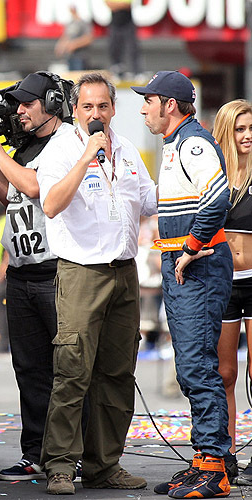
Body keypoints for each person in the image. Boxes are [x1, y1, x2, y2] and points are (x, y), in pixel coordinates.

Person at [36, 71, 156, 495]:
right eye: (87, 106)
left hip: (125, 273)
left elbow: (150, 202)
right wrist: (86, 156)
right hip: (82, 272)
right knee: (72, 372)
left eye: (103, 106)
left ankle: (104, 465)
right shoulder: (61, 150)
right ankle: (61, 466)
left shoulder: (125, 150)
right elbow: (50, 204)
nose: (96, 113)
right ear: (74, 111)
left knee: (118, 373)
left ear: (113, 109)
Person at [132, 71, 233, 498]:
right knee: (190, 366)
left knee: (196, 366)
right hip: (183, 263)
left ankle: (214, 467)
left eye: (149, 100)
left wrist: (191, 246)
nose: (143, 109)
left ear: (170, 104)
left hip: (197, 265)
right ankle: (203, 460)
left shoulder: (192, 143)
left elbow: (218, 196)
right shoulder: (177, 144)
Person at [0, 72, 73, 482]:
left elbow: (32, 186)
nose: (19, 111)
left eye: (27, 103)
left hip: (56, 271)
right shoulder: (25, 146)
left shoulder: (64, 142)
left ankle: (69, 454)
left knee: (66, 370)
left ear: (50, 101)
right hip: (23, 272)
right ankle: (35, 453)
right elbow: (7, 193)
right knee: (29, 369)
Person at [213, 100, 252, 486]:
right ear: (227, 131)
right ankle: (226, 454)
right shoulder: (215, 175)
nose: (248, 135)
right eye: (240, 129)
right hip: (225, 281)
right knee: (224, 373)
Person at [106, 0, 141, 79]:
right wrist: (120, 5)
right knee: (114, 47)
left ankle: (136, 72)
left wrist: (116, 5)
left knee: (132, 48)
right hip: (115, 22)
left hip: (127, 22)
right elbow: (109, 4)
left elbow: (128, 5)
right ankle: (117, 70)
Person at [55, 4, 93, 72]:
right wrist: (60, 46)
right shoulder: (70, 23)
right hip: (70, 56)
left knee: (79, 76)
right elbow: (66, 36)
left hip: (80, 56)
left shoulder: (83, 23)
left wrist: (74, 45)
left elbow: (88, 38)